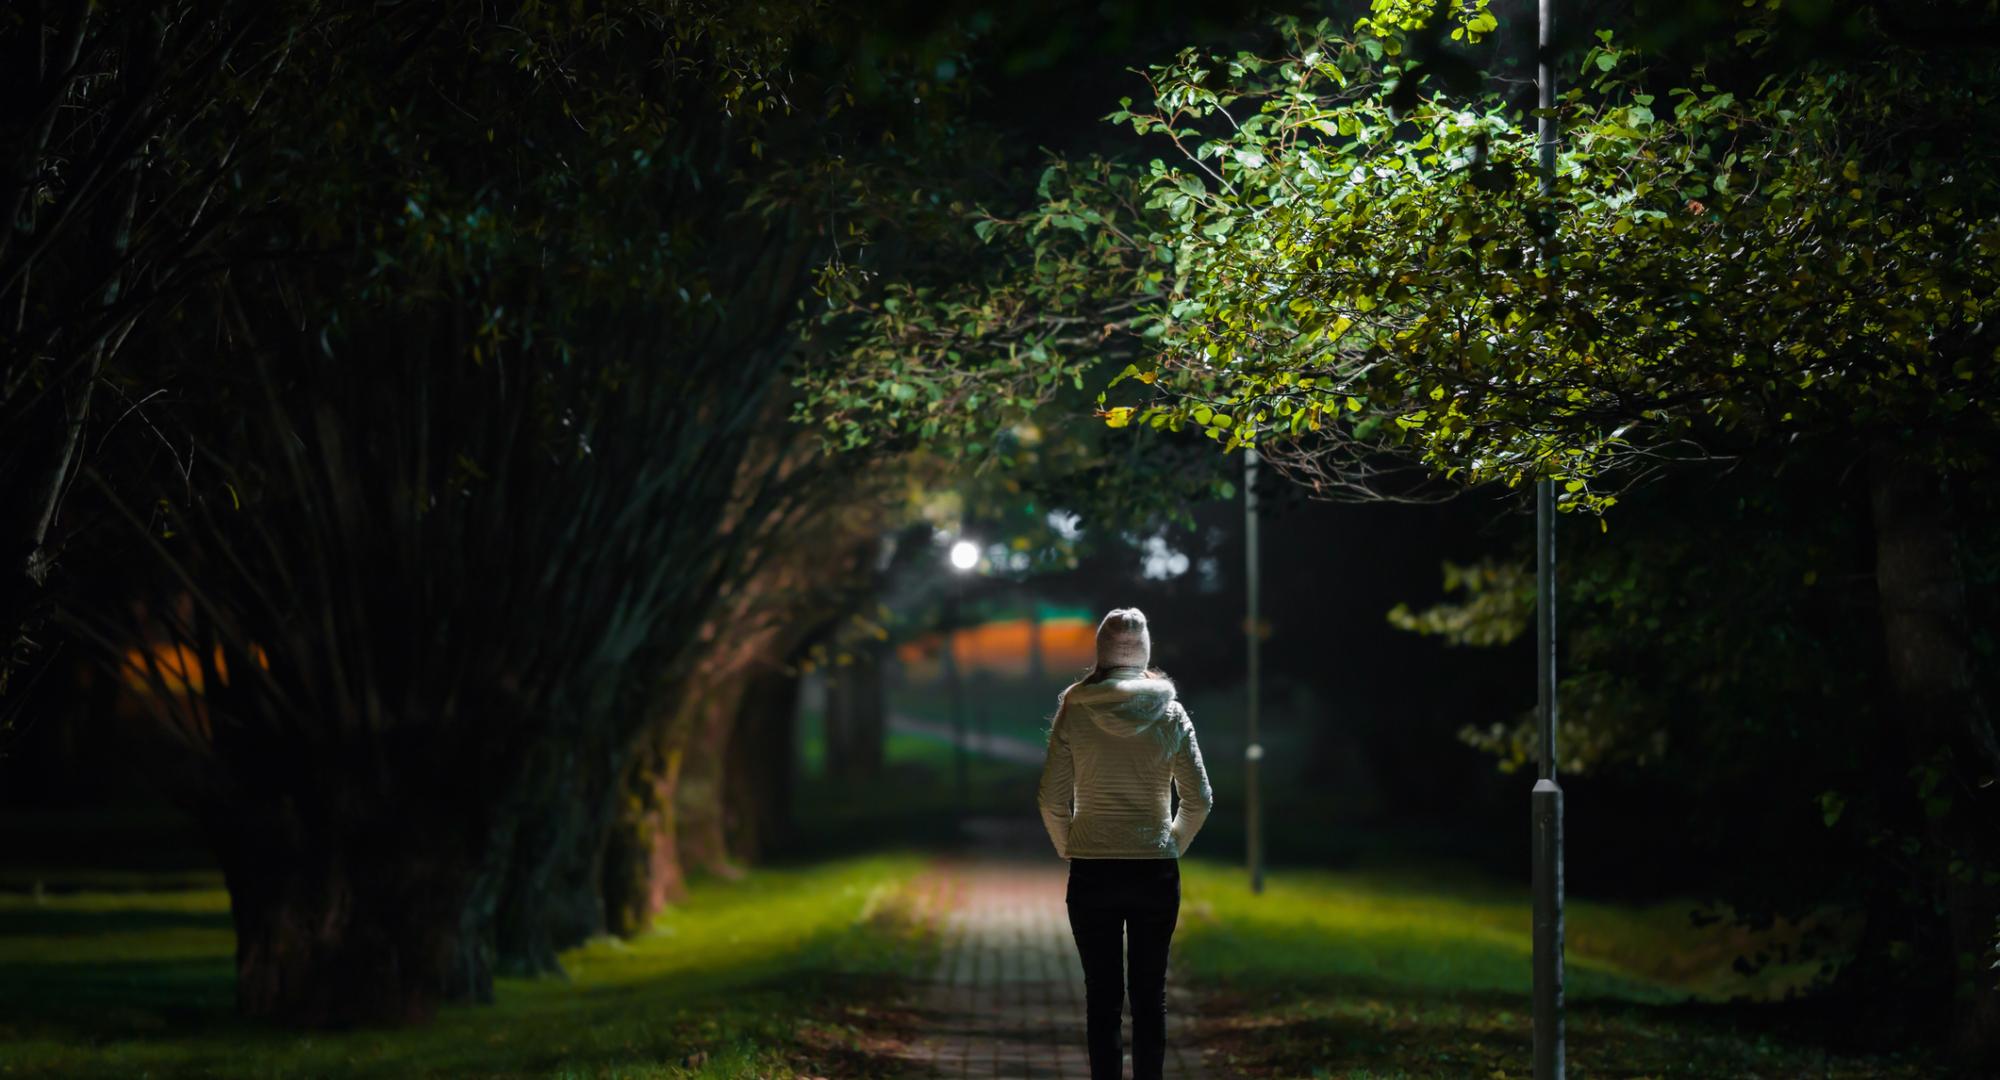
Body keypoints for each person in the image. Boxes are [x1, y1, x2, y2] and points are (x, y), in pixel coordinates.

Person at [1036, 607, 1214, 1080]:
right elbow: (1199, 799)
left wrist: (1070, 846)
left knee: (1102, 998)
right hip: (1154, 870)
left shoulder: (1076, 709)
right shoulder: (1169, 713)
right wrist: (1168, 842)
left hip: (1093, 869)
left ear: (1102, 652)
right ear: (1144, 652)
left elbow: (1051, 801)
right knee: (1150, 995)